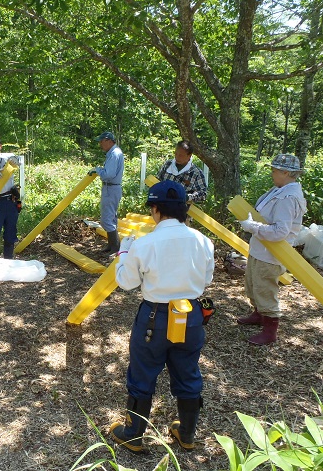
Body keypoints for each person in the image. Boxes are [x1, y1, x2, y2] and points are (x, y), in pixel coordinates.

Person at [109, 180, 214, 453]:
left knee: (143, 372)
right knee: (188, 372)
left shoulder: (145, 243)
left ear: (155, 209)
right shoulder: (204, 241)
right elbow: (206, 280)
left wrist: (123, 252)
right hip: (190, 314)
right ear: (183, 209)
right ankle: (187, 433)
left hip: (155, 316)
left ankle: (133, 434)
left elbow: (126, 281)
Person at [237, 154, 306, 345]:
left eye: (275, 170)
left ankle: (270, 330)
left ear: (286, 173)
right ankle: (259, 315)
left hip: (271, 253)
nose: (272, 173)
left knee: (265, 289)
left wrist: (252, 226)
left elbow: (279, 232)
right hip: (261, 249)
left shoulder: (287, 197)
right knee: (253, 284)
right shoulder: (280, 190)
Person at [89, 131, 124, 253]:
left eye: (101, 141)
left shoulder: (114, 154)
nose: (100, 144)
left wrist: (98, 170)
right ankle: (112, 246)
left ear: (109, 141)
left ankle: (115, 248)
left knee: (106, 219)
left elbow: (108, 174)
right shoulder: (113, 153)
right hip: (112, 187)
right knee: (111, 218)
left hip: (111, 187)